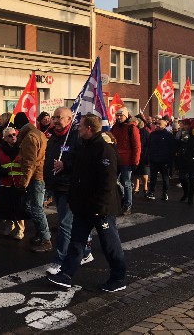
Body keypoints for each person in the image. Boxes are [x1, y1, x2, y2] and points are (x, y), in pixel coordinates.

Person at [48, 114, 127, 292]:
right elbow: (78, 166)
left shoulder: (104, 148)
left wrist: (101, 207)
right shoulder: (85, 145)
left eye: (81, 126)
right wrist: (64, 166)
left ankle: (118, 278)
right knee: (76, 242)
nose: (79, 129)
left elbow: (107, 182)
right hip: (83, 206)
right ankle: (66, 275)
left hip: (100, 208)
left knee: (110, 245)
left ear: (89, 129)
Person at [43, 107, 93, 273]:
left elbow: (82, 160)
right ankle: (85, 252)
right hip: (57, 185)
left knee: (64, 224)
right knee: (71, 224)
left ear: (69, 119)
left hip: (69, 187)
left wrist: (66, 165)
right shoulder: (53, 136)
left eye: (60, 117)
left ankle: (60, 261)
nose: (56, 120)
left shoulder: (76, 136)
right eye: (54, 117)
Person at [14, 112, 52, 253]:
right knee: (32, 206)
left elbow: (30, 162)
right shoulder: (37, 133)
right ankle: (40, 233)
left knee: (35, 208)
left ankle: (46, 238)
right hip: (37, 175)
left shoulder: (29, 137)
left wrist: (24, 183)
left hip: (35, 177)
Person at [0, 126, 26, 240]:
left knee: (19, 207)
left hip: (18, 182)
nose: (13, 137)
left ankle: (20, 229)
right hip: (6, 182)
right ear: (5, 138)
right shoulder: (0, 149)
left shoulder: (22, 148)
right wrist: (1, 171)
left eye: (14, 134)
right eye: (9, 136)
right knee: (7, 206)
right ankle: (10, 225)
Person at [110, 107, 141, 215]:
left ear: (126, 116)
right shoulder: (114, 127)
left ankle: (128, 205)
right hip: (116, 160)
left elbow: (137, 146)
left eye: (121, 115)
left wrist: (135, 162)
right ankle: (122, 199)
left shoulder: (131, 128)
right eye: (117, 115)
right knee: (113, 181)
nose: (118, 117)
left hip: (127, 161)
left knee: (126, 183)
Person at [145, 119, 177, 201]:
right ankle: (151, 192)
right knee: (153, 177)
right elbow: (148, 147)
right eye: (157, 124)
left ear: (164, 125)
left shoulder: (168, 135)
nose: (157, 125)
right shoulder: (152, 134)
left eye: (160, 124)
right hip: (154, 160)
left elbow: (172, 148)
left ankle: (164, 193)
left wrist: (169, 160)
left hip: (164, 161)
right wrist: (149, 157)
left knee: (165, 177)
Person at [132, 118, 150, 195]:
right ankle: (137, 187)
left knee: (144, 172)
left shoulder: (145, 132)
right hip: (136, 154)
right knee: (136, 172)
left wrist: (144, 153)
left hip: (144, 155)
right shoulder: (133, 131)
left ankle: (145, 186)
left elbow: (148, 144)